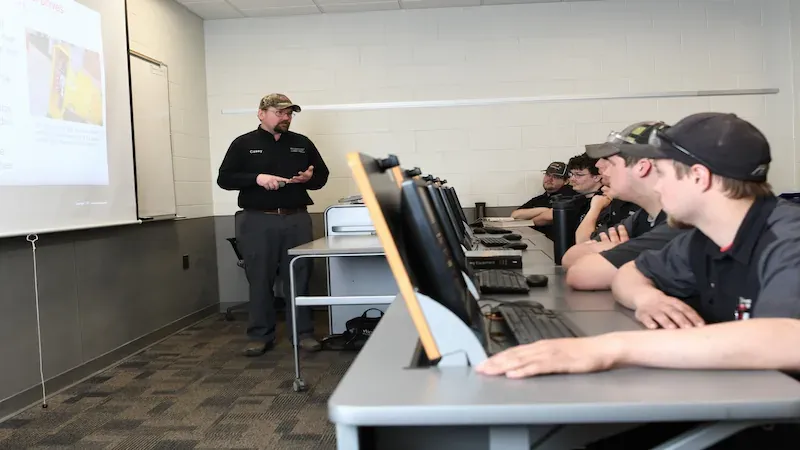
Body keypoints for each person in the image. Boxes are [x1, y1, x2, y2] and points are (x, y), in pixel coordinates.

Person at [475, 111, 800, 447]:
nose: (656, 186)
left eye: (662, 174)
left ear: (699, 177)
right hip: (730, 402)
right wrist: (648, 297)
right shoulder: (701, 238)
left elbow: (790, 337)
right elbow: (632, 273)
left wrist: (611, 348)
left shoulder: (788, 238)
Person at [217, 93, 330, 356]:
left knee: (300, 276)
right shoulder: (243, 144)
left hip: (296, 218)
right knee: (259, 279)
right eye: (279, 113)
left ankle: (303, 334)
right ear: (261, 113)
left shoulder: (302, 144)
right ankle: (260, 335)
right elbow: (225, 179)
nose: (286, 118)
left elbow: (321, 177)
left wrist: (308, 179)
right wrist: (257, 178)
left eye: (289, 113)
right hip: (258, 219)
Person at [562, 121, 687, 290]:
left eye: (611, 162)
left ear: (642, 167)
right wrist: (620, 251)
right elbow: (570, 257)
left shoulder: (679, 225)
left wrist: (618, 249)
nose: (599, 166)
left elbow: (580, 274)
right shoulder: (643, 215)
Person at [510, 161, 575, 240]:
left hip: (558, 244)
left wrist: (528, 221)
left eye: (556, 177)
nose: (550, 179)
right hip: (538, 241)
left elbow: (552, 216)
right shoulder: (541, 198)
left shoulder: (569, 193)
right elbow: (515, 215)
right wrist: (544, 210)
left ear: (566, 181)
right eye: (548, 175)